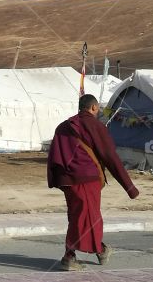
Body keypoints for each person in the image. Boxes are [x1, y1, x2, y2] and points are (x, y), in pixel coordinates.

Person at [47, 94, 139, 270]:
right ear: (94, 108)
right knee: (87, 217)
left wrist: (57, 179)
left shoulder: (63, 126)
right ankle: (71, 256)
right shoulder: (95, 125)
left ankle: (99, 250)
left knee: (79, 216)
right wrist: (130, 187)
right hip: (87, 179)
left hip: (67, 181)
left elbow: (54, 157)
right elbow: (110, 156)